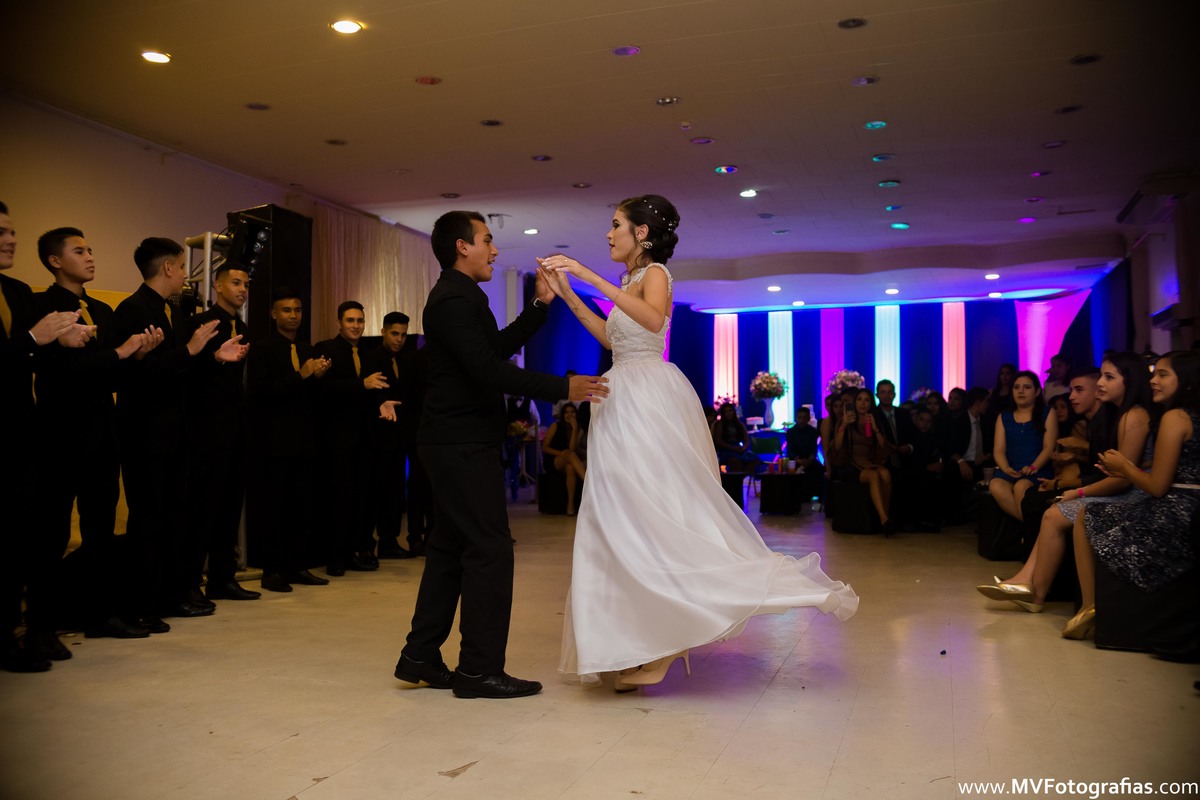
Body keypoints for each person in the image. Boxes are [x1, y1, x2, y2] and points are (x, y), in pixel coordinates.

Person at [539, 194, 857, 691]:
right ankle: (635, 638)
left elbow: (651, 322)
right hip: (619, 397)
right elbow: (611, 337)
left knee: (655, 511)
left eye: (616, 224)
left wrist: (585, 273)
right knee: (618, 518)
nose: (608, 233)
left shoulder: (656, 274)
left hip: (647, 397)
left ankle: (670, 638)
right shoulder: (628, 280)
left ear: (642, 233)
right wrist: (567, 294)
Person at [393, 210, 607, 700]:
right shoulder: (453, 299)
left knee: (449, 549)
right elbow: (489, 370)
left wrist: (540, 304)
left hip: (455, 439)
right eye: (487, 240)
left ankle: (420, 656)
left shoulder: (462, 297)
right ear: (462, 247)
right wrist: (563, 388)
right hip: (460, 442)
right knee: (490, 550)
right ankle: (478, 670)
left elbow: (493, 350)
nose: (494, 250)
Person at [113, 237, 247, 630]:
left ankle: (166, 597)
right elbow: (140, 374)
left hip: (175, 433)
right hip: (145, 433)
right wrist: (190, 350)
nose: (186, 275)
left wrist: (212, 357)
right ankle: (140, 605)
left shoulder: (170, 311)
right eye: (182, 266)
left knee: (173, 518)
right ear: (168, 267)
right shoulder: (133, 309)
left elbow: (180, 371)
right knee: (148, 520)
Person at [32, 227, 157, 647]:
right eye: (79, 251)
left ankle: (102, 614)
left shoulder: (103, 310)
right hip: (60, 435)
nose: (89, 257)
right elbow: (62, 372)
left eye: (90, 250)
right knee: (51, 534)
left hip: (104, 433)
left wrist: (135, 356)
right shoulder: (42, 308)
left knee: (101, 529)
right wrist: (118, 353)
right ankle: (42, 626)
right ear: (55, 261)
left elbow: (112, 375)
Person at [978, 353, 1152, 613]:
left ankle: (1035, 590)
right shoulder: (1119, 415)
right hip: (1119, 488)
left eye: (1108, 377)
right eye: (1101, 377)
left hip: (1135, 495)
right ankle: (1031, 586)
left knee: (1048, 509)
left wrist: (1077, 490)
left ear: (1130, 380)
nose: (1101, 383)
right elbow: (1114, 471)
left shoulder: (1132, 416)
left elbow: (1123, 479)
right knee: (1046, 508)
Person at [1, 203, 93, 672]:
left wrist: (59, 344)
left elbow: (31, 359)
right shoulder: (35, 301)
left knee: (23, 539)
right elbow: (24, 346)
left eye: (12, 231)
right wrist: (36, 341)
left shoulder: (17, 291)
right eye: (1, 232)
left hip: (22, 435)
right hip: (38, 433)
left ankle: (18, 636)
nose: (11, 239)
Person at [1066, 351, 1200, 640]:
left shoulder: (1175, 417)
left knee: (1086, 516)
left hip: (1178, 512)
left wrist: (1124, 467)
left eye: (1163, 374)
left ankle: (1090, 607)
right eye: (1154, 374)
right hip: (1191, 508)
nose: (1153, 381)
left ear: (1186, 380)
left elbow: (1158, 486)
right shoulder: (1190, 415)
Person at [181, 263, 260, 603]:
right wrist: (215, 357)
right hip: (206, 431)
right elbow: (186, 376)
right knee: (203, 509)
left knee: (230, 507)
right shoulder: (201, 324)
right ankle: (188, 583)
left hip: (236, 429)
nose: (243, 289)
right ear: (217, 285)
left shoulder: (243, 327)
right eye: (236, 282)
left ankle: (222, 578)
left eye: (246, 284)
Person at [245, 290, 331, 593]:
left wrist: (318, 378)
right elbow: (261, 393)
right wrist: (301, 375)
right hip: (274, 442)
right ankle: (273, 570)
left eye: (297, 310)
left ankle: (298, 565)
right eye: (286, 310)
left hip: (304, 441)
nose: (293, 315)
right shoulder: (262, 349)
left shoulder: (308, 349)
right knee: (274, 509)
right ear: (273, 314)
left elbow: (313, 399)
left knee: (302, 506)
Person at [315, 301, 387, 574]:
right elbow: (323, 389)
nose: (356, 326)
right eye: (350, 320)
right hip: (337, 438)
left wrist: (383, 402)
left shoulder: (369, 354)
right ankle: (334, 557)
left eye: (360, 320)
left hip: (365, 438)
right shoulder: (326, 349)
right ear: (339, 323)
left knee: (361, 498)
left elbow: (375, 390)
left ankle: (354, 551)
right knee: (339, 498)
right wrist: (361, 384)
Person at [365, 312, 417, 559]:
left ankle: (389, 541)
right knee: (375, 491)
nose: (399, 339)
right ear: (383, 332)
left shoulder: (406, 360)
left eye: (403, 334)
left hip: (399, 436)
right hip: (377, 437)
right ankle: (367, 544)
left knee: (395, 491)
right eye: (395, 333)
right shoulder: (371, 358)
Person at [987, 370, 1057, 521]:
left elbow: (1049, 448)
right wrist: (1006, 468)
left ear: (1037, 391)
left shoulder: (1047, 413)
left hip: (1038, 469)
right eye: (1016, 387)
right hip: (1011, 470)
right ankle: (1028, 525)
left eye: (1027, 387)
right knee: (995, 485)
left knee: (1021, 487)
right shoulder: (1004, 416)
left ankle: (1028, 529)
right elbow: (998, 450)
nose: (1021, 391)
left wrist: (1033, 467)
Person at [834, 388, 894, 534]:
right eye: (859, 400)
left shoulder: (874, 420)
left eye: (866, 400)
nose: (862, 403)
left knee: (885, 474)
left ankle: (885, 517)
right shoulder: (847, 421)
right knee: (873, 476)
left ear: (871, 403)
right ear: (854, 403)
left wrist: (875, 429)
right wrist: (844, 425)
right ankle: (884, 519)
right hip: (851, 464)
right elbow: (837, 446)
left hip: (870, 462)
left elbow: (884, 448)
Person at [542, 402, 587, 516]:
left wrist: (574, 429)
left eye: (572, 412)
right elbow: (545, 447)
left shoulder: (579, 430)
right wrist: (561, 453)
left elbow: (572, 449)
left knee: (570, 467)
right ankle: (587, 481)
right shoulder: (555, 426)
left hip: (568, 460)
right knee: (569, 455)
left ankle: (570, 505)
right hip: (554, 458)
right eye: (567, 412)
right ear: (562, 414)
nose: (570, 415)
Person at [711, 401, 759, 471]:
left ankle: (743, 475)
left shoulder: (740, 424)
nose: (728, 413)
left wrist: (743, 447)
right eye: (726, 412)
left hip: (738, 449)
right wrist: (732, 448)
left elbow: (746, 439)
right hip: (726, 451)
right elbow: (718, 441)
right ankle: (737, 476)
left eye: (730, 411)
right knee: (735, 461)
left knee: (755, 459)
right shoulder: (720, 425)